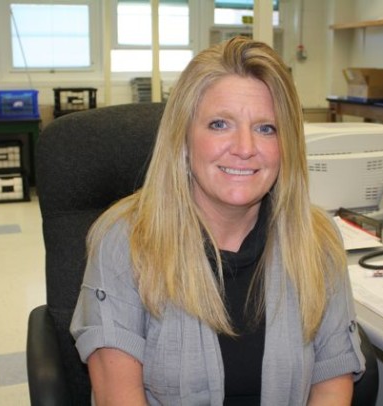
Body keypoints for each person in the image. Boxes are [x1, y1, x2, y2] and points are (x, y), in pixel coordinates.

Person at [71, 36, 365, 405]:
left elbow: (332, 380)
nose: (244, 147)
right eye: (219, 124)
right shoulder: (125, 241)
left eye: (265, 128)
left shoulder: (317, 240)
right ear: (183, 138)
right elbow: (119, 397)